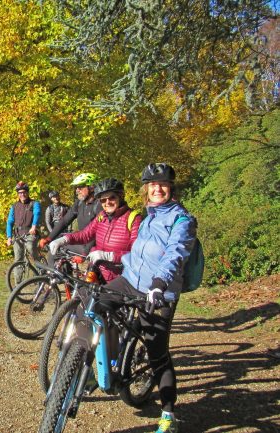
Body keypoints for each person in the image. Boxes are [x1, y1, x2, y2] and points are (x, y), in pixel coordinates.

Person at [101, 163, 196, 433]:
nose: (157, 188)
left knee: (157, 352)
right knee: (95, 304)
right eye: (153, 185)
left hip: (159, 290)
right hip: (131, 280)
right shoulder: (148, 215)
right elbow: (136, 251)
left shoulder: (182, 221)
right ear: (146, 190)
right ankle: (94, 362)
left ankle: (168, 413)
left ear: (171, 188)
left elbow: (175, 254)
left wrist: (158, 283)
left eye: (163, 184)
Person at [44, 178, 141, 283]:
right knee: (82, 295)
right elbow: (85, 234)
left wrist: (109, 256)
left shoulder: (134, 219)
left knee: (102, 299)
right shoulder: (101, 216)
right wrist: (64, 239)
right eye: (103, 200)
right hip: (97, 270)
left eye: (111, 198)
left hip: (120, 277)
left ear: (120, 196)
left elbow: (137, 255)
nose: (107, 202)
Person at [39, 173, 101, 262]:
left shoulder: (99, 205)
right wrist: (49, 238)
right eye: (76, 188)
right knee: (54, 252)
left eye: (80, 187)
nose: (77, 190)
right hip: (82, 242)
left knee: (90, 275)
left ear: (91, 187)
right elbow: (65, 221)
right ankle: (57, 275)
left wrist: (84, 254)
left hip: (95, 246)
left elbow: (99, 232)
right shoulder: (79, 203)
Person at [6, 181, 41, 267]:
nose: (22, 194)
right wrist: (9, 237)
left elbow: (37, 213)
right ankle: (18, 281)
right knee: (18, 260)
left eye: (24, 192)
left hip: (30, 233)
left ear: (27, 192)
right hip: (18, 235)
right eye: (20, 193)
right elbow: (10, 222)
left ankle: (41, 269)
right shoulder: (14, 206)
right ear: (18, 194)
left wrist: (33, 227)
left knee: (30, 247)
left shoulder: (34, 203)